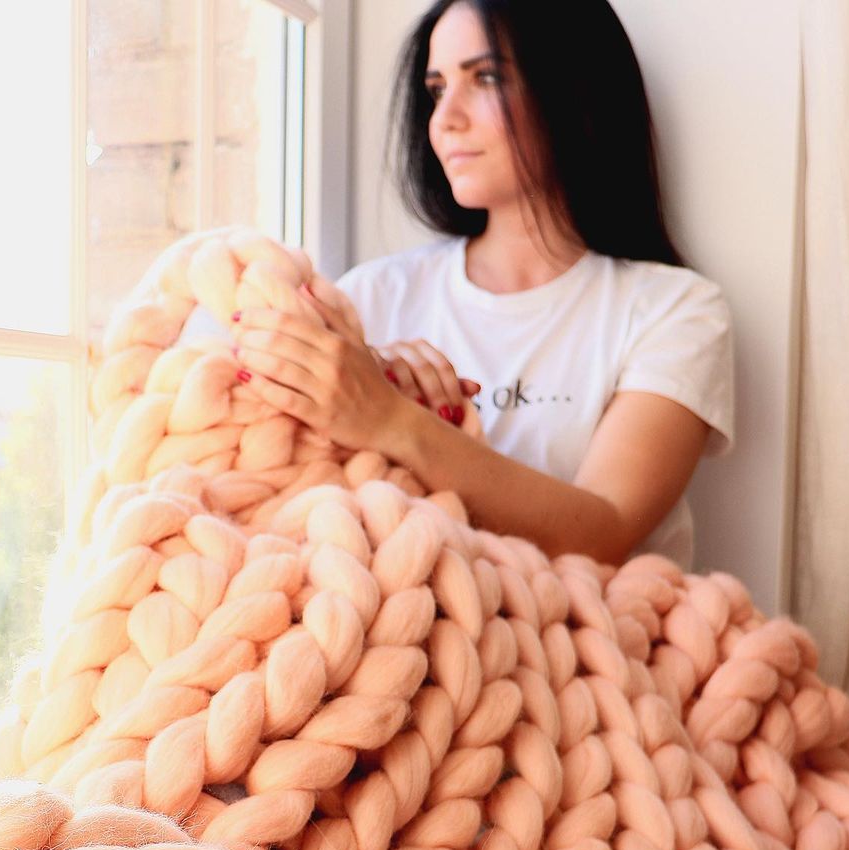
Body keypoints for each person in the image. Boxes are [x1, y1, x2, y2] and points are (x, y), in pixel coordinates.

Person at [230, 0, 734, 568]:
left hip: (601, 645)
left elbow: (605, 530)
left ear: (574, 91)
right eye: (438, 88)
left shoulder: (675, 310)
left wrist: (392, 419)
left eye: (486, 78)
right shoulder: (371, 297)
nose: (446, 118)